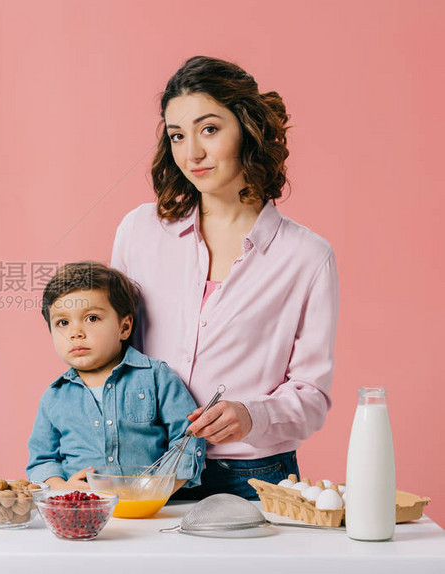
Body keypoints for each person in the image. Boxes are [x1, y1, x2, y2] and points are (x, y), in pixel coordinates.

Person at [111, 56, 339, 500]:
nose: (191, 153)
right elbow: (112, 351)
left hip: (254, 474)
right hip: (146, 465)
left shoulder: (307, 257)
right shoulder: (138, 231)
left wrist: (253, 415)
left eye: (209, 129)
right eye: (177, 135)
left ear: (248, 130)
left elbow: (312, 395)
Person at [26, 261, 205, 491]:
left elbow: (188, 437)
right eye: (62, 322)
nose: (75, 333)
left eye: (92, 318)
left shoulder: (156, 377)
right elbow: (42, 460)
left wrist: (157, 487)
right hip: (84, 514)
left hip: (152, 510)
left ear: (125, 327)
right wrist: (63, 487)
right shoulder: (55, 397)